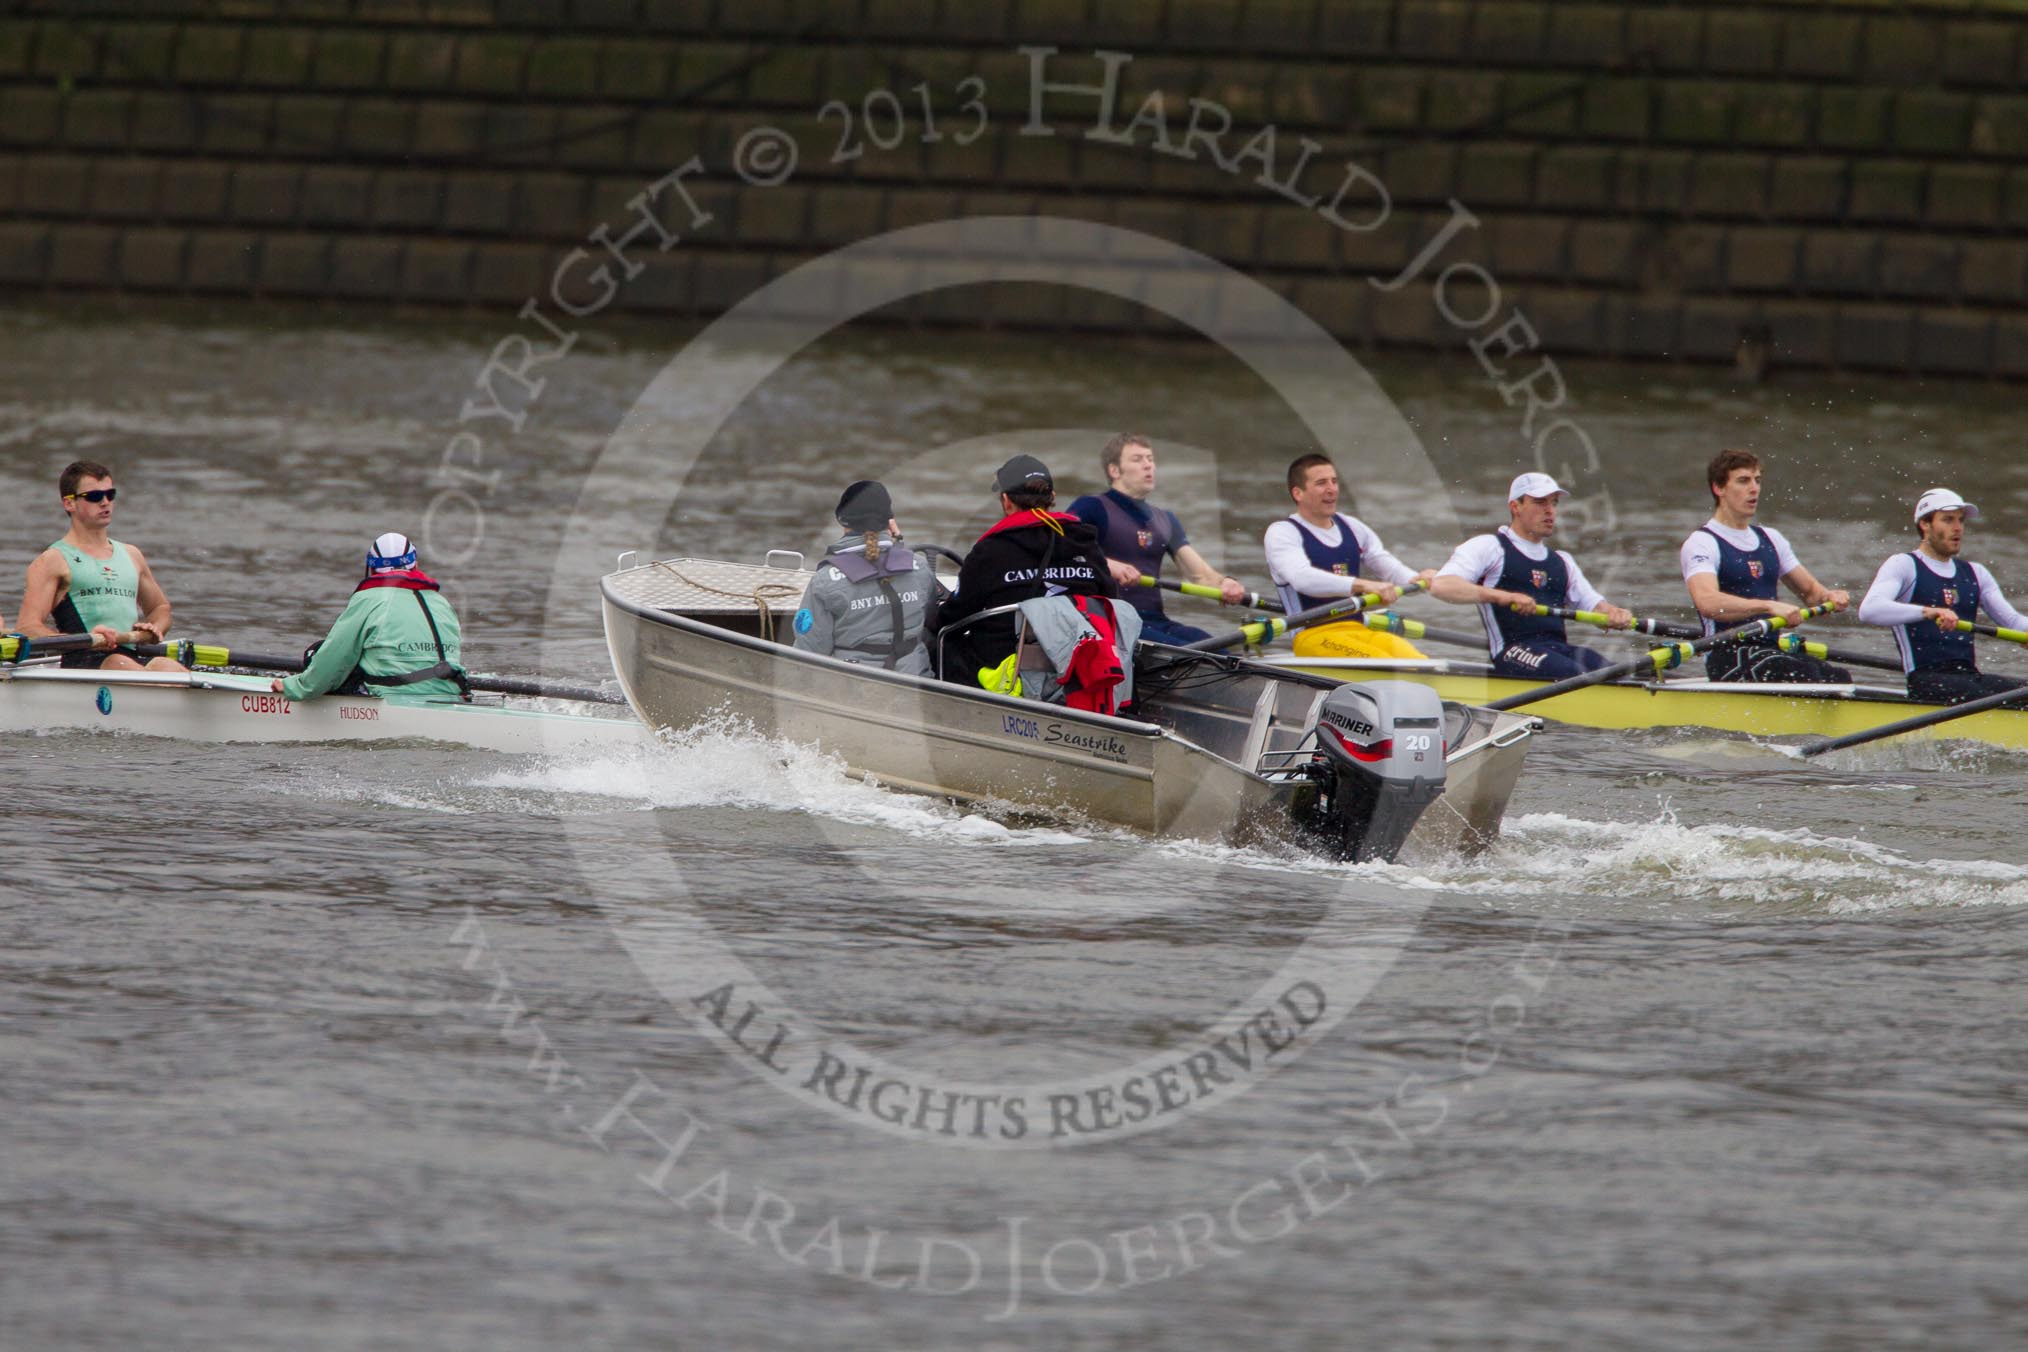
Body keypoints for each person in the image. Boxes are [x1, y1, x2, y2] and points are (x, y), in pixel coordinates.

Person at [936, 454, 1119, 689]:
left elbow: (953, 615)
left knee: (941, 642)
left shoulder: (990, 550)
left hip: (1007, 676)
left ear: (1006, 500)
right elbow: (1110, 603)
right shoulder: (1086, 543)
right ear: (1052, 497)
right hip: (1079, 674)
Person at [1430, 472, 1634, 680]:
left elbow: (1596, 608)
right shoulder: (1490, 547)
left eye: (1554, 503)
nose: (1549, 510)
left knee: (1618, 674)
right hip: (1512, 651)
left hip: (1557, 650)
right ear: (1515, 506)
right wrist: (1504, 597)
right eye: (1539, 502)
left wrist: (1614, 613)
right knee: (1576, 675)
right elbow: (1442, 586)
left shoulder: (1562, 562)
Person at [1681, 449, 1851, 683]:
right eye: (1743, 481)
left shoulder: (1771, 538)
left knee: (1837, 676)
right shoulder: (1703, 542)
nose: (1754, 489)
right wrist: (1768, 606)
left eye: (1757, 480)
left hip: (1768, 651)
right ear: (1718, 488)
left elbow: (1812, 594)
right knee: (1805, 675)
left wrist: (1830, 597)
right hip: (1727, 657)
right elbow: (1707, 602)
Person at [1066, 434, 1245, 645]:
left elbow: (1200, 575)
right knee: (1192, 653)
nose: (1148, 465)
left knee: (1218, 648)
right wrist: (1109, 566)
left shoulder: (1165, 519)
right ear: (1114, 470)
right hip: (1109, 620)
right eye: (1137, 459)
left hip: (1155, 621)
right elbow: (1061, 547)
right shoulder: (1091, 507)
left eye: (1150, 459)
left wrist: (1225, 583)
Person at [1857, 488, 2028, 706]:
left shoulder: (1976, 573)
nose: (1958, 528)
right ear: (1925, 524)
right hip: (1927, 681)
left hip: (1969, 677)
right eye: (1948, 520)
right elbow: (1869, 610)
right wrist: (1928, 612)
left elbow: (2013, 622)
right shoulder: (1904, 565)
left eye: (1960, 520)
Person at [14, 459, 186, 671]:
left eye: (110, 494)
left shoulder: (132, 555)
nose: (105, 502)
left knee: (168, 666)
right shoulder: (52, 560)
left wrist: (154, 627)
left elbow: (160, 608)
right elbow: (27, 627)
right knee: (119, 663)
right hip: (84, 661)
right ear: (69, 503)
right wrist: (85, 640)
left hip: (131, 657)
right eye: (94, 496)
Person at [272, 533, 469, 702]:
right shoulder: (442, 602)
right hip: (451, 692)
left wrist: (295, 686)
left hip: (392, 696)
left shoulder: (368, 599)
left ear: (372, 569)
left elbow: (335, 656)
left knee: (317, 652)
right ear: (415, 565)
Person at [790, 480, 936, 675]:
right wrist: (898, 541)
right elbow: (932, 619)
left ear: (842, 520)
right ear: (890, 522)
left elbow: (810, 650)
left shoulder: (825, 581)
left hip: (853, 685)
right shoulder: (920, 567)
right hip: (916, 683)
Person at [1263, 454, 1434, 616]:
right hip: (1311, 632)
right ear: (1298, 493)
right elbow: (1302, 579)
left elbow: (1390, 569)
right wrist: (1364, 585)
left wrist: (1418, 579)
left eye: (1334, 481)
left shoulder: (1353, 527)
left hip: (1357, 628)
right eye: (1321, 483)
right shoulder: (1282, 533)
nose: (1331, 489)